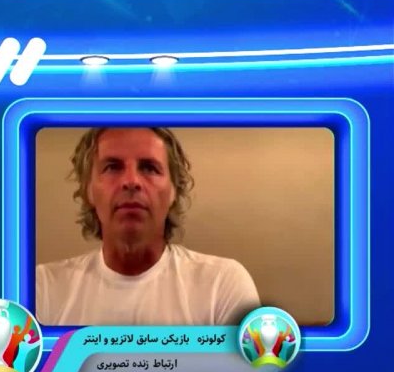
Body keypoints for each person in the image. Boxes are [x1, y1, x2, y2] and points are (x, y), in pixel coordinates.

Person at [36, 128, 261, 326]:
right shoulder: (42, 289)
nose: (131, 181)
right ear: (89, 191)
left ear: (173, 192)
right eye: (113, 167)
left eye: (149, 168)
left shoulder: (222, 285)